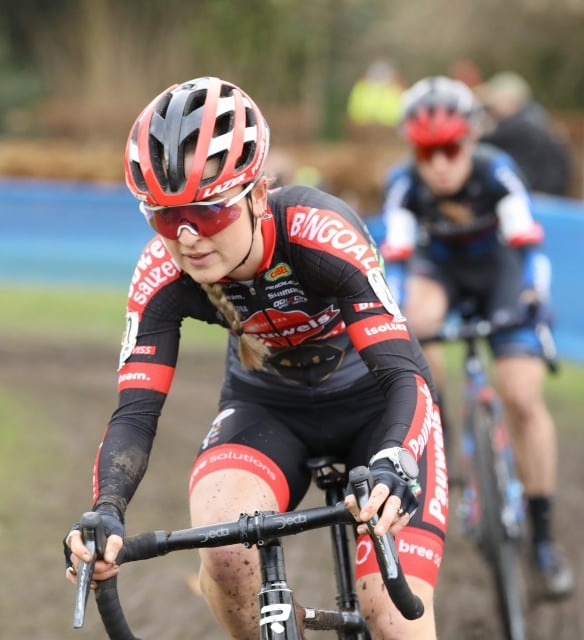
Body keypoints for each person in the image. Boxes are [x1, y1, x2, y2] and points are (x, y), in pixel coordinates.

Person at [63, 77, 448, 639]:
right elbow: (135, 413)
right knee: (223, 551)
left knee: (390, 616)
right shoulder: (162, 273)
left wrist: (396, 462)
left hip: (377, 406)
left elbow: (404, 372)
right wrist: (107, 511)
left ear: (258, 195)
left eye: (209, 211)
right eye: (166, 217)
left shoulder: (320, 233)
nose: (189, 236)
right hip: (268, 410)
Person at [378, 76, 575, 599]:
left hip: (501, 277)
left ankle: (543, 539)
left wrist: (535, 297)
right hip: (438, 276)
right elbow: (394, 264)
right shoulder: (403, 184)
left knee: (522, 398)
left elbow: (531, 248)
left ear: (470, 141)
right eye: (427, 151)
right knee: (413, 322)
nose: (439, 163)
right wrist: (395, 317)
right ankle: (436, 440)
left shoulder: (497, 172)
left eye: (450, 149)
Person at [478, 71, 573, 197]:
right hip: (546, 196)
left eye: (495, 102)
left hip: (539, 197)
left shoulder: (521, 127)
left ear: (511, 101)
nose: (491, 108)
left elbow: (485, 143)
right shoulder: (537, 120)